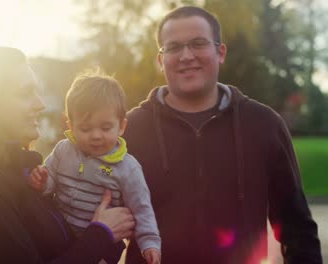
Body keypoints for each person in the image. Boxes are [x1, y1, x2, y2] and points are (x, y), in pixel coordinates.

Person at [123, 6, 322, 264]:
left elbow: (298, 229)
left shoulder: (264, 124)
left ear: (221, 52)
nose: (186, 56)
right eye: (173, 47)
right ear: (161, 60)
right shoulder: (130, 130)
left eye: (198, 43)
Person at [0, 46, 136, 263]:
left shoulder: (17, 171)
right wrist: (100, 236)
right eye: (25, 94)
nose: (40, 104)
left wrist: (106, 236)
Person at [28, 71, 161, 264]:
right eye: (86, 128)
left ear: (121, 126)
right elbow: (49, 184)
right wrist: (41, 182)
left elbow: (141, 208)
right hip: (62, 239)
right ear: (71, 125)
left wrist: (149, 242)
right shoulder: (63, 150)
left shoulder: (127, 168)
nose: (96, 135)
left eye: (106, 128)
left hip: (104, 248)